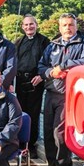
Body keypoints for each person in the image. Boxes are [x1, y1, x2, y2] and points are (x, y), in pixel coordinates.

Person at [38, 13, 84, 166]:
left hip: (70, 95)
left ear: (76, 26)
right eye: (64, 25)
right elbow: (41, 66)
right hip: (50, 93)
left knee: (60, 132)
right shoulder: (52, 45)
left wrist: (62, 66)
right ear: (60, 28)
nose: (68, 28)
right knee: (48, 131)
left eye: (71, 25)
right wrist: (51, 72)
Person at [14, 15, 50, 158]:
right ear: (22, 27)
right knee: (20, 112)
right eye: (26, 25)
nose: (29, 27)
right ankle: (21, 143)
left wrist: (42, 75)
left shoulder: (44, 41)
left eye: (31, 24)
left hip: (36, 81)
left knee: (34, 114)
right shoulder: (18, 42)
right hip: (21, 81)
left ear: (36, 25)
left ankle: (32, 144)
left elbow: (48, 61)